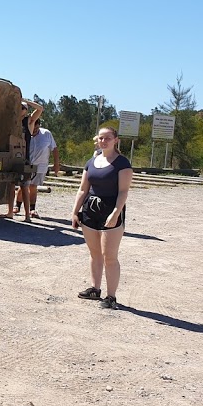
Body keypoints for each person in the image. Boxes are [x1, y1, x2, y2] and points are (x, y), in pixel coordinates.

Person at [71, 127, 133, 310]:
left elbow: (123, 191)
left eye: (108, 138)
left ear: (116, 140)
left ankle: (111, 296)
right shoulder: (91, 162)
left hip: (110, 210)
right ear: (97, 140)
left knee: (110, 256)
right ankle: (95, 289)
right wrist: (75, 211)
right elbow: (83, 189)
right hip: (90, 210)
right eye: (101, 138)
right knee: (95, 253)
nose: (104, 141)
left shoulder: (122, 164)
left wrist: (115, 213)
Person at [2, 99, 43, 221]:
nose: (19, 109)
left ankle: (27, 216)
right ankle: (10, 212)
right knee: (11, 185)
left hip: (24, 158)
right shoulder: (12, 122)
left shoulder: (29, 122)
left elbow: (40, 109)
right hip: (10, 157)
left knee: (25, 187)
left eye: (22, 108)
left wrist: (25, 100)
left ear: (25, 110)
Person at [15, 119, 61, 218]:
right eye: (33, 128)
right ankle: (17, 205)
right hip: (27, 163)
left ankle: (32, 209)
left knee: (33, 186)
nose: (35, 130)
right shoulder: (25, 134)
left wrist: (56, 164)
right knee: (23, 186)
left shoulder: (46, 134)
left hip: (41, 165)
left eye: (37, 128)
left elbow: (55, 149)